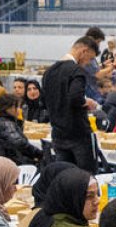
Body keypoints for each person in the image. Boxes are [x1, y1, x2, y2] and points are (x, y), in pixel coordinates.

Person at [42, 36, 102, 172]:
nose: (88, 63)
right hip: (79, 134)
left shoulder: (48, 73)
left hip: (58, 134)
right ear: (83, 51)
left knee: (65, 177)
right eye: (90, 58)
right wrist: (87, 102)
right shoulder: (77, 71)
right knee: (87, 178)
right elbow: (75, 97)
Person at [21, 167, 98, 227]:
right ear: (70, 199)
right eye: (89, 196)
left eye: (97, 194)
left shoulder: (42, 216)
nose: (97, 201)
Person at [0, 93, 42, 164]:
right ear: (7, 108)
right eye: (16, 107)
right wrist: (39, 153)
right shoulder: (6, 124)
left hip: (15, 161)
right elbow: (20, 143)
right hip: (16, 163)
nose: (19, 110)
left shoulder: (6, 121)